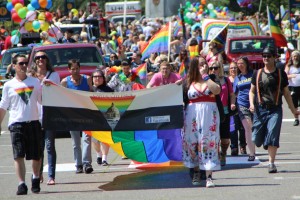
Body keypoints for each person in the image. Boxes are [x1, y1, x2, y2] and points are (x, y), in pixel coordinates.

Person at [249, 47, 300, 173]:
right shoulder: (257, 73)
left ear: (274, 58)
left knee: (273, 135)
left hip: (275, 109)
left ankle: (271, 163)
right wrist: (251, 104)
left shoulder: (280, 73)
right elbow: (252, 91)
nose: (266, 58)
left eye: (268, 56)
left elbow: (287, 93)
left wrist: (293, 110)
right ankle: (266, 140)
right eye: (264, 56)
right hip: (260, 109)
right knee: (256, 139)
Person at [0, 54, 42, 195]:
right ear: (14, 66)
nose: (24, 66)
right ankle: (21, 184)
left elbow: (43, 100)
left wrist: (48, 87)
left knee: (36, 155)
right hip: (16, 124)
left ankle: (35, 178)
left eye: (25, 63)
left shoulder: (35, 82)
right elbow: (3, 106)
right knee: (18, 155)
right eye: (21, 63)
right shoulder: (8, 85)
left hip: (33, 122)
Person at [182, 56, 221, 188]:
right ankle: (196, 173)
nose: (203, 66)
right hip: (192, 117)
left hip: (209, 116)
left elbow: (216, 90)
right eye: (200, 64)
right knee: (194, 143)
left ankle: (209, 177)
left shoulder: (211, 79)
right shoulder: (188, 82)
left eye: (205, 64)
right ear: (194, 66)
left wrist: (205, 76)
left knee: (208, 143)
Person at [29, 51, 60, 185]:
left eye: (43, 57)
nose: (40, 59)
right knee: (38, 147)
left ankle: (51, 176)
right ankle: (39, 173)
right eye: (38, 58)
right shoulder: (30, 77)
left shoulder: (54, 75)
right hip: (35, 115)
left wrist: (43, 81)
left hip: (49, 115)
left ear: (47, 60)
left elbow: (56, 91)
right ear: (35, 61)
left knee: (49, 146)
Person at [61, 59, 94, 174]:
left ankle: (87, 163)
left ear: (80, 68)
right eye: (72, 69)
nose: (75, 71)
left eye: (77, 68)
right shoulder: (65, 82)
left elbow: (92, 92)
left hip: (86, 114)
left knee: (87, 139)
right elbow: (62, 98)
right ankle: (78, 164)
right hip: (72, 115)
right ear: (69, 69)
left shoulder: (87, 79)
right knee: (76, 142)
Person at [209, 61, 236, 166]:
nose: (213, 70)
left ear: (220, 68)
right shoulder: (208, 80)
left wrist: (232, 104)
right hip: (212, 112)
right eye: (211, 68)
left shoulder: (226, 80)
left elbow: (232, 94)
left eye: (215, 68)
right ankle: (216, 155)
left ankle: (223, 153)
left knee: (225, 138)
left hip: (224, 112)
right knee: (214, 137)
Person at [234, 57, 256, 161]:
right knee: (248, 127)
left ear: (247, 64)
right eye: (238, 63)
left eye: (242, 63)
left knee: (257, 127)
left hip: (256, 104)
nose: (240, 65)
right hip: (242, 105)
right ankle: (252, 153)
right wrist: (232, 104)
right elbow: (234, 93)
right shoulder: (237, 78)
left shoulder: (253, 74)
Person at [91, 70, 113, 166]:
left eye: (99, 77)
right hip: (93, 118)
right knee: (95, 140)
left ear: (103, 78)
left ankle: (104, 158)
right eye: (95, 77)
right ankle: (98, 154)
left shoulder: (109, 90)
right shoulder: (90, 90)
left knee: (105, 138)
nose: (97, 78)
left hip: (106, 117)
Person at [228, 62, 246, 156]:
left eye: (235, 68)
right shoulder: (228, 80)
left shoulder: (240, 78)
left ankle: (243, 145)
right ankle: (234, 147)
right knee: (233, 128)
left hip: (242, 105)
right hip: (232, 107)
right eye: (231, 68)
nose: (233, 70)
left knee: (243, 128)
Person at [285, 50, 300, 126]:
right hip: (293, 88)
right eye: (294, 56)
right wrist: (291, 76)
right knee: (294, 105)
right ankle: (296, 119)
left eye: (297, 56)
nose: (295, 58)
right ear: (291, 57)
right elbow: (284, 76)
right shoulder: (289, 66)